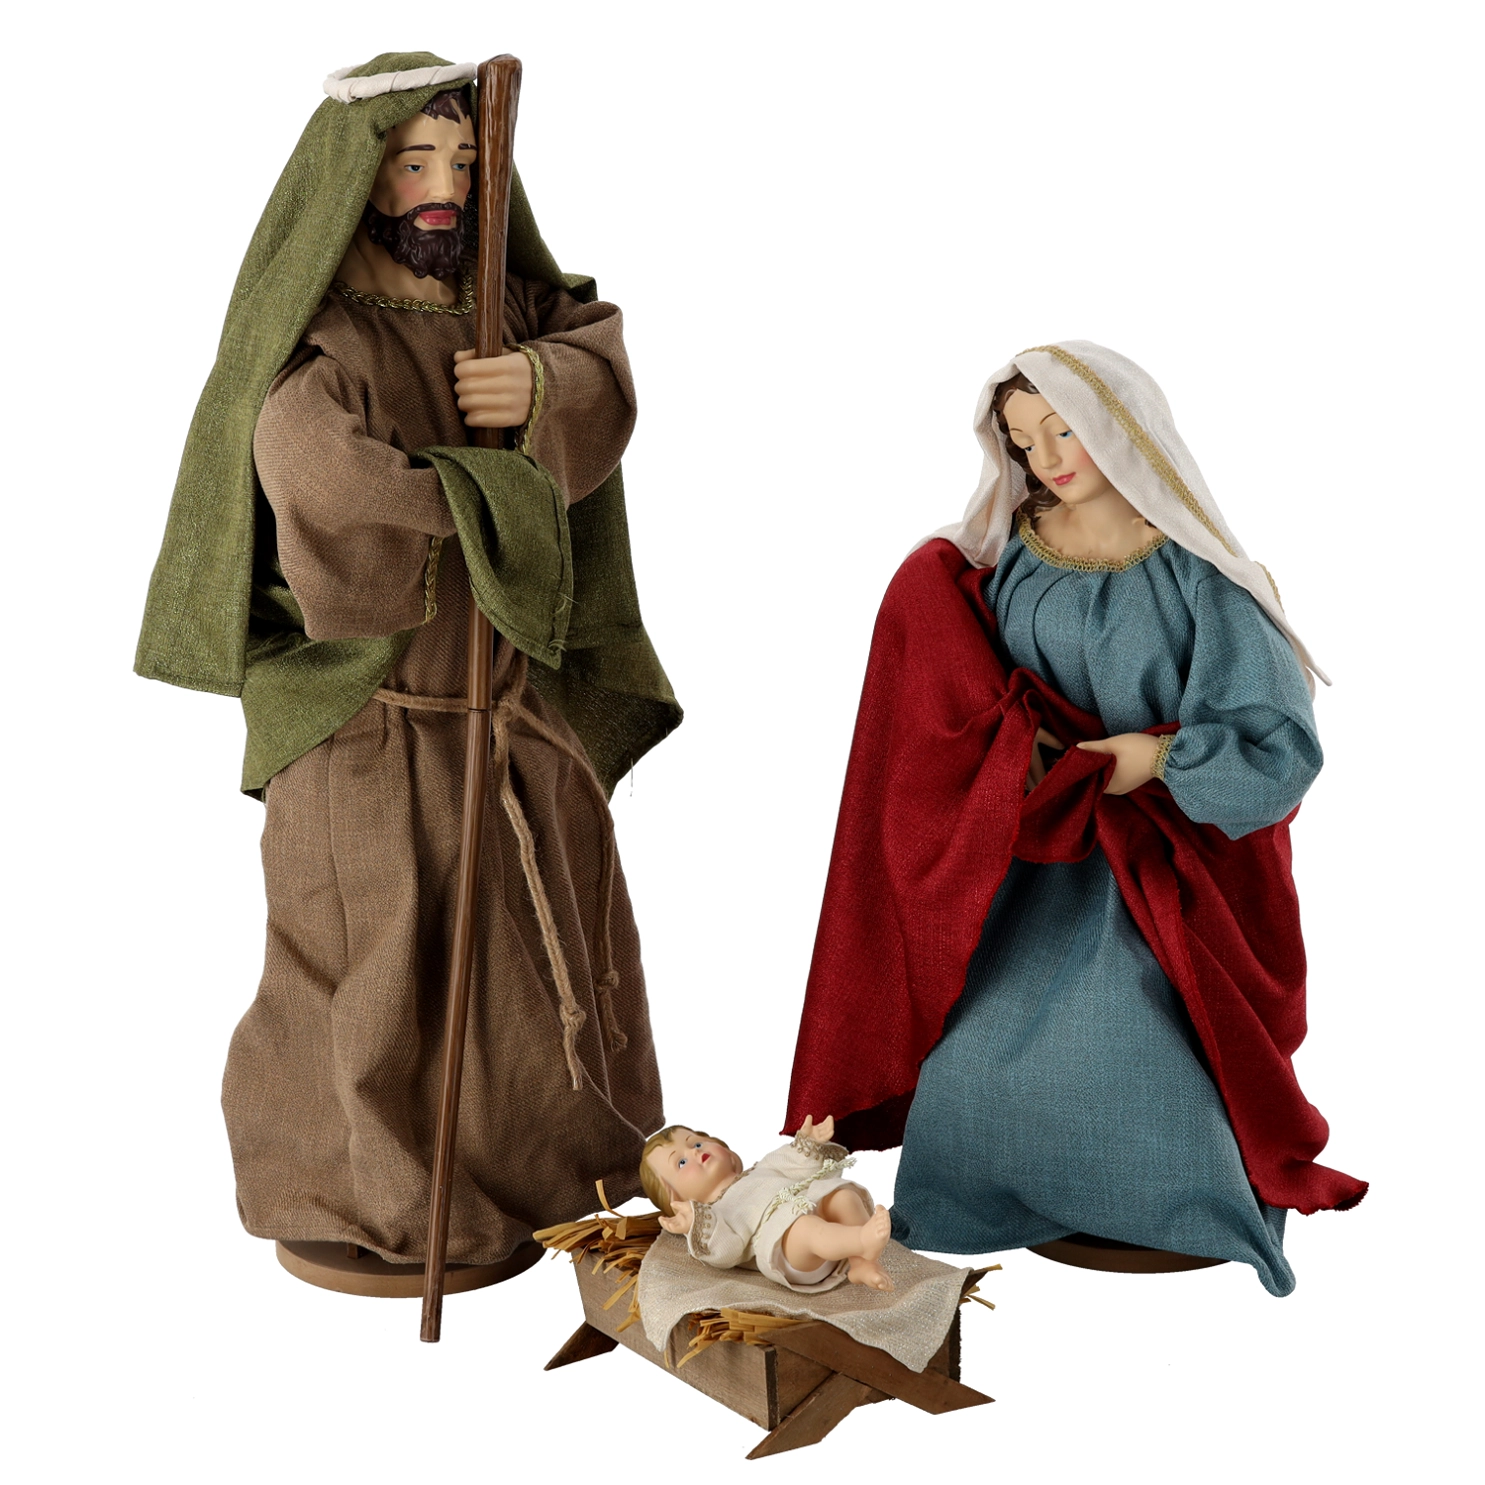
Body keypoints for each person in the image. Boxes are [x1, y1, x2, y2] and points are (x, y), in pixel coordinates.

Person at [135, 53, 681, 1275]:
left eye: (467, 164)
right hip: (371, 723)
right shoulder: (322, 337)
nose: (444, 188)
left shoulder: (509, 312)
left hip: (509, 710)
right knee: (368, 968)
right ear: (358, 177)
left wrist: (539, 382)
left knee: (530, 969)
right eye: (415, 160)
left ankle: (539, 1183)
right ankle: (365, 1202)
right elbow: (317, 470)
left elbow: (599, 363)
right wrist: (495, 492)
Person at [786, 342, 1364, 1296]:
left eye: (1064, 430)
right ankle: (993, 1195)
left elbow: (1275, 743)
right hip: (1036, 861)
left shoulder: (1200, 574)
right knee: (975, 1061)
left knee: (1127, 1050)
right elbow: (967, 682)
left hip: (1167, 868)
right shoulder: (1012, 552)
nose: (1046, 457)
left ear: (1121, 425)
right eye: (1023, 440)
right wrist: (1009, 751)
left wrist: (1157, 758)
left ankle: (1178, 1207)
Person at [641, 1119, 893, 1292]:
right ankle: (861, 1239)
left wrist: (809, 1144)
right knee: (806, 1228)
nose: (695, 1152)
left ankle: (862, 1264)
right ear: (676, 1198)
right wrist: (695, 1222)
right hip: (789, 1252)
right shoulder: (718, 1214)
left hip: (811, 1208)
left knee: (841, 1196)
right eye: (681, 1163)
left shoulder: (761, 1169)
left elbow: (796, 1164)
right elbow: (725, 1250)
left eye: (696, 1143)